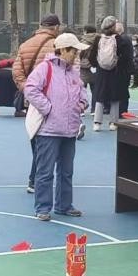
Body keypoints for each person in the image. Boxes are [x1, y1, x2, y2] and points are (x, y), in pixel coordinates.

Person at [25, 32, 89, 221]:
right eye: (73, 51)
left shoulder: (73, 71)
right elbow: (30, 89)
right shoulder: (45, 68)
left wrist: (82, 103)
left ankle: (64, 205)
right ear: (63, 50)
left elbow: (82, 90)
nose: (76, 55)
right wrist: (47, 108)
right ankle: (43, 208)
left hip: (70, 129)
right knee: (45, 171)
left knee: (66, 171)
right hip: (49, 130)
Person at [14, 15, 63, 191]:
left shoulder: (25, 45)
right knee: (54, 143)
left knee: (36, 139)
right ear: (56, 27)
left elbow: (17, 72)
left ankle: (34, 179)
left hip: (33, 102)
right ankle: (40, 179)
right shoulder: (58, 45)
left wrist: (29, 90)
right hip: (55, 101)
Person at [89, 16, 132, 131]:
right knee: (115, 98)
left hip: (101, 72)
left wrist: (97, 65)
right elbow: (125, 57)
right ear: (113, 26)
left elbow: (91, 56)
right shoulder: (119, 39)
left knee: (100, 97)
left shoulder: (98, 38)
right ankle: (113, 123)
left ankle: (97, 123)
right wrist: (118, 65)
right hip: (115, 72)